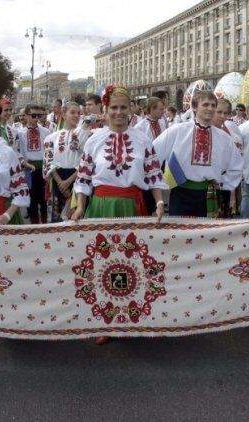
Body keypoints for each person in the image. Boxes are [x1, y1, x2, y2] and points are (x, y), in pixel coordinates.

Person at [72, 86, 166, 345]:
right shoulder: (94, 139)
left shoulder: (143, 140)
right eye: (114, 107)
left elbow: (154, 175)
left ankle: (132, 315)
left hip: (132, 208)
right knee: (102, 265)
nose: (119, 112)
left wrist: (159, 203)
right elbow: (83, 177)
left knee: (133, 263)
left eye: (124, 107)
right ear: (105, 110)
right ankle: (107, 320)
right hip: (101, 207)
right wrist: (80, 206)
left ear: (131, 109)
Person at [154, 91, 243, 218]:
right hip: (180, 194)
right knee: (180, 235)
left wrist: (223, 183)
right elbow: (152, 157)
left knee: (207, 236)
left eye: (213, 105)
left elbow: (237, 166)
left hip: (209, 195)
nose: (210, 108)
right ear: (194, 107)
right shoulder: (177, 131)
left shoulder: (224, 138)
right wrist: (160, 186)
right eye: (205, 104)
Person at [43, 102, 91, 222]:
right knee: (58, 218)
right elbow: (49, 162)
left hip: (78, 178)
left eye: (78, 113)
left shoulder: (85, 135)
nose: (76, 116)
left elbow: (86, 161)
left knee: (76, 217)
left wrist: (69, 181)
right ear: (64, 114)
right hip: (58, 179)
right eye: (72, 112)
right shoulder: (51, 137)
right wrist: (61, 182)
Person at [17, 104, 51, 224]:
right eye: (33, 115)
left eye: (39, 115)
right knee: (31, 201)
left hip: (42, 169)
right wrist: (23, 162)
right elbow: (18, 152)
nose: (36, 118)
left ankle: (45, 227)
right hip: (28, 170)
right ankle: (34, 227)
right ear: (26, 116)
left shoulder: (46, 132)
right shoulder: (20, 133)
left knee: (43, 200)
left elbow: (50, 151)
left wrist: (48, 168)